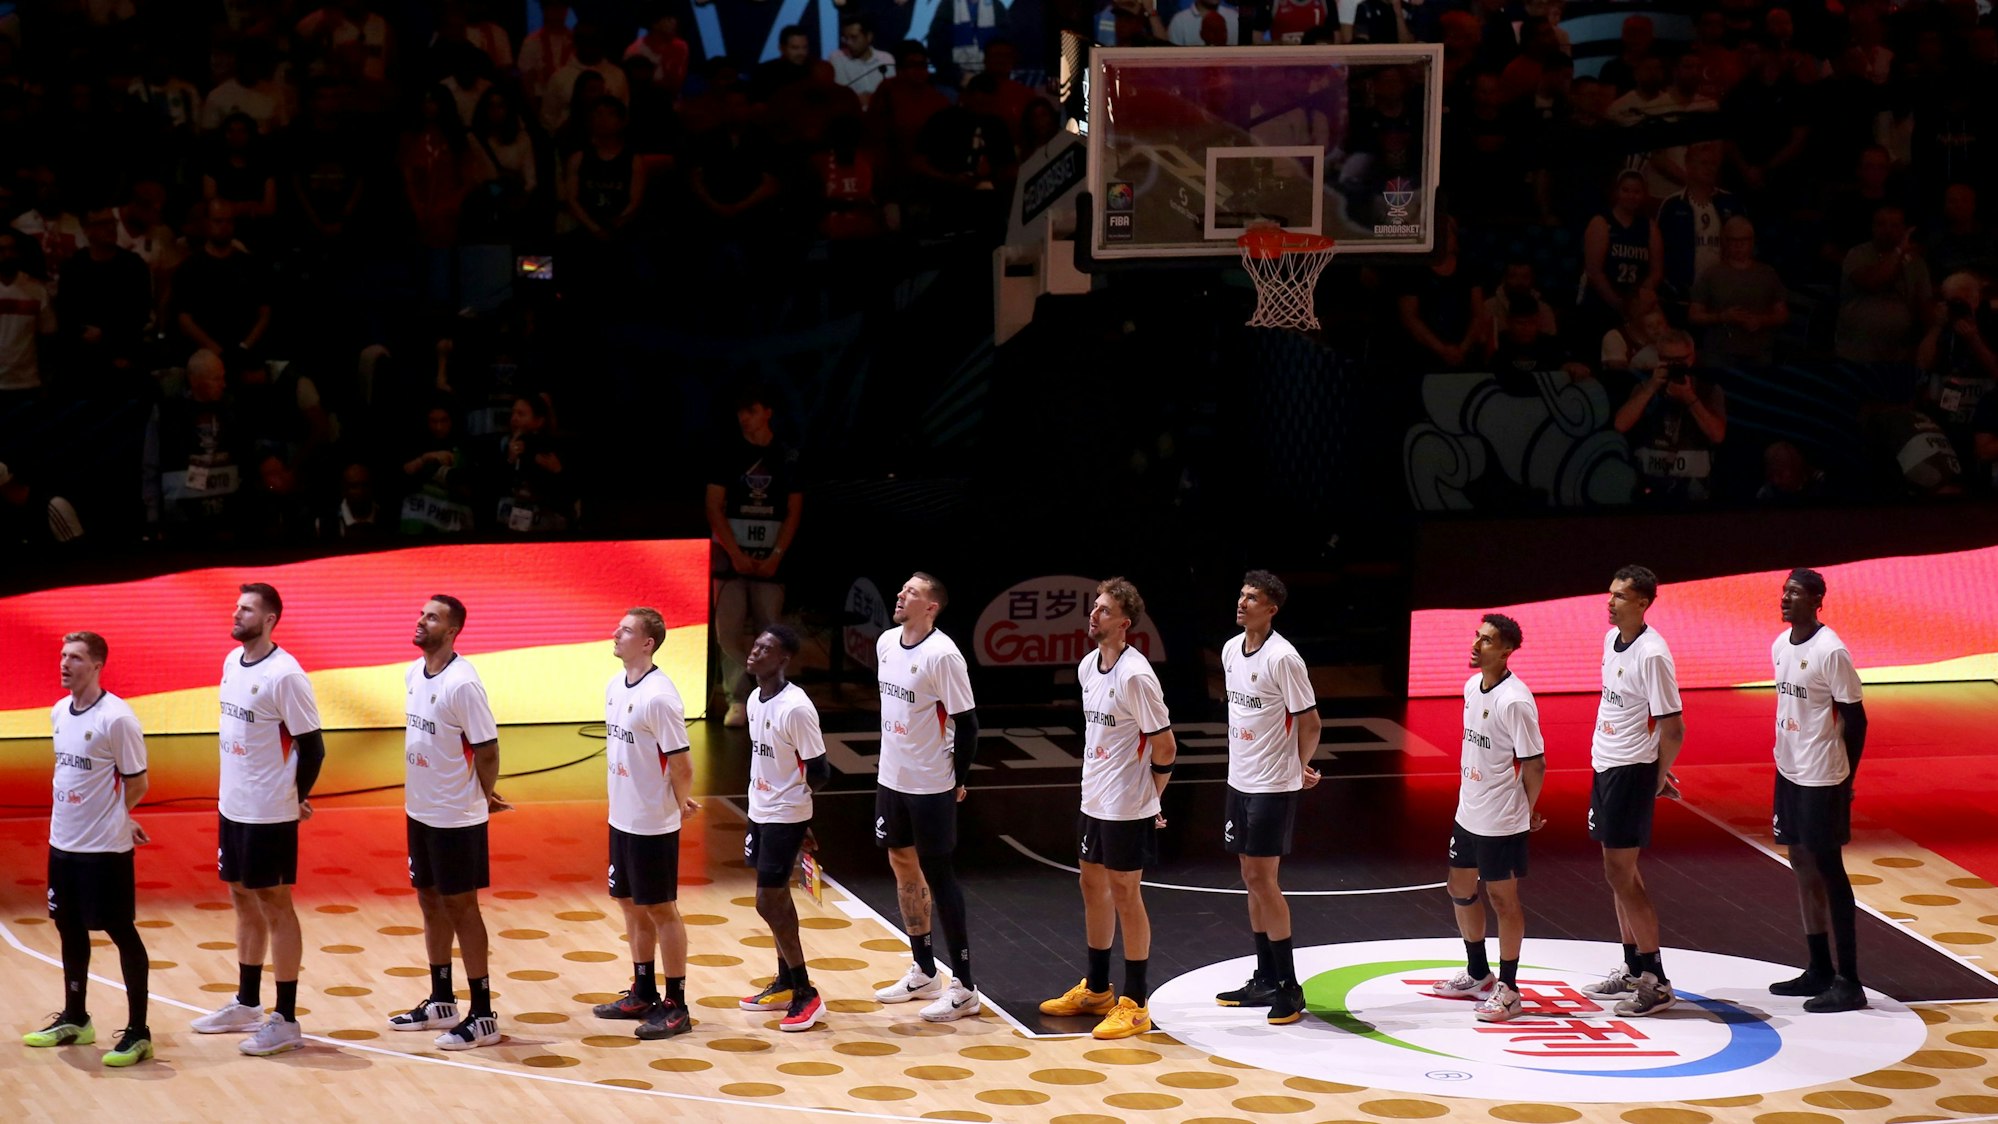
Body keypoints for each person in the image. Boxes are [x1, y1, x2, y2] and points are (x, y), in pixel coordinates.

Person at [188, 583, 327, 1057]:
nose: (236, 613)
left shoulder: (286, 675)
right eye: (236, 606)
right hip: (234, 804)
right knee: (241, 896)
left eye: (246, 609)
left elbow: (313, 746)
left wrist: (295, 797)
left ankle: (286, 1018)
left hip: (269, 811)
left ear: (269, 619)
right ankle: (247, 1003)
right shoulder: (232, 663)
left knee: (275, 902)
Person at [1040, 578, 1177, 1039]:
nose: (1093, 615)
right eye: (1093, 607)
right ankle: (1097, 989)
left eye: (1103, 609)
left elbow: (1166, 746)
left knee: (1125, 893)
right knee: (1091, 884)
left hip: (1127, 803)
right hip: (1094, 796)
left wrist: (1152, 798)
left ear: (1124, 622)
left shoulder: (1136, 676)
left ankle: (1136, 1002)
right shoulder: (1086, 668)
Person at [23, 631, 153, 1067]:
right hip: (63, 843)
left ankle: (139, 1032)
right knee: (68, 929)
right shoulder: (59, 711)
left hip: (104, 852)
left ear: (96, 665)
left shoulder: (117, 719)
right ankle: (77, 1018)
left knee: (121, 933)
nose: (64, 664)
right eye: (63, 656)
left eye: (75, 657)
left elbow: (137, 782)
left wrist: (118, 817)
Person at [387, 595, 507, 1050]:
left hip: (456, 816)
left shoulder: (463, 685)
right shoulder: (413, 674)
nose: (421, 621)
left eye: (432, 617)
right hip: (420, 809)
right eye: (421, 614)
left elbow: (489, 749)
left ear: (453, 630)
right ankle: (442, 1000)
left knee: (462, 907)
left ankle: (482, 1014)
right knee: (430, 900)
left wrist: (481, 795)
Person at [872, 572, 983, 1022]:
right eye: (902, 589)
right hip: (891, 776)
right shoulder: (885, 643)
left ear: (931, 606)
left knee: (940, 875)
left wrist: (956, 778)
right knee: (901, 861)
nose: (900, 595)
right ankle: (923, 967)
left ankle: (966, 987)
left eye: (911, 592)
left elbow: (969, 725)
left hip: (930, 783)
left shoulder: (943, 655)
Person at [1214, 570, 1321, 1025]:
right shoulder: (1229, 651)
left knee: (1264, 878)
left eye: (1252, 597)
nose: (1242, 603)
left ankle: (1289, 986)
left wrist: (1297, 769)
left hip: (1272, 784)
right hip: (1239, 779)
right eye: (1241, 594)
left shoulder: (1284, 658)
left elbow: (1310, 721)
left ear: (1271, 608)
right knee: (1249, 876)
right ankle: (1264, 978)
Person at [1430, 614, 1544, 1023]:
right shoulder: (1470, 688)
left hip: (1502, 819)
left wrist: (1526, 812)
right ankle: (1478, 972)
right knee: (1459, 886)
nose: (1477, 645)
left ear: (1508, 650)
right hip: (1469, 810)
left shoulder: (1514, 700)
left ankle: (1510, 989)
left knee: (1503, 900)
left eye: (1488, 641)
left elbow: (1535, 764)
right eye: (1477, 637)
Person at [1585, 565, 1685, 1017]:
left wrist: (1656, 778)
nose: (1610, 602)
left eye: (1620, 596)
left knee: (1621, 874)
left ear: (1642, 603)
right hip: (1605, 765)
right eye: (1610, 593)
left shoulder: (1653, 654)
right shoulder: (1611, 642)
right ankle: (1632, 967)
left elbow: (1673, 728)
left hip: (1630, 772)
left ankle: (1657, 980)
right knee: (1617, 874)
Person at [593, 607, 696, 1040]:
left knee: (661, 909)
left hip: (653, 823)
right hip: (622, 816)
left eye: (626, 630)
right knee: (630, 904)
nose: (615, 633)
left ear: (648, 643)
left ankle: (676, 1004)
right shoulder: (616, 685)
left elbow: (682, 764)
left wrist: (676, 804)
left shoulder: (660, 696)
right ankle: (642, 989)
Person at [1769, 569, 1869, 1013]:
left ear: (1817, 600)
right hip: (1788, 768)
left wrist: (1846, 779)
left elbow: (1857, 720)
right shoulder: (1778, 644)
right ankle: (1818, 967)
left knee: (1829, 870)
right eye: (1785, 591)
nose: (1786, 599)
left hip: (1822, 775)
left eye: (1795, 593)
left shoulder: (1831, 651)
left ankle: (1850, 981)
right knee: (1798, 860)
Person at [737, 624, 831, 1031]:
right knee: (774, 902)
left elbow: (821, 769)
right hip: (760, 810)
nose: (755, 653)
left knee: (766, 900)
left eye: (766, 649)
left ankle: (806, 991)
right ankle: (786, 980)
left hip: (785, 813)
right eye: (755, 645)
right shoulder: (755, 699)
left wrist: (802, 817)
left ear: (784, 660)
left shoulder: (796, 707)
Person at [707, 386, 804, 727]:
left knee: (770, 631)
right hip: (730, 560)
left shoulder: (788, 454)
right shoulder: (727, 451)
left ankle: (770, 695)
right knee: (728, 631)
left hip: (771, 562)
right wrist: (734, 553)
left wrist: (777, 553)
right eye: (740, 412)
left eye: (750, 410)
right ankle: (736, 699)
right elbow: (714, 506)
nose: (743, 417)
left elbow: (794, 509)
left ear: (767, 412)